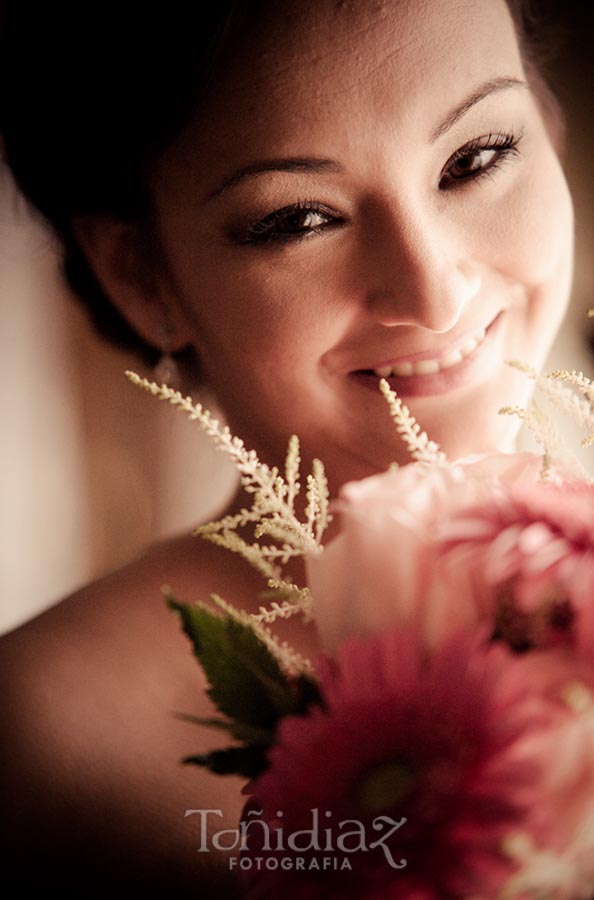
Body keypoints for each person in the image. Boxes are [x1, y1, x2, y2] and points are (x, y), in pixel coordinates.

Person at [0, 0, 576, 893]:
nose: (432, 293)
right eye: (299, 219)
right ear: (140, 273)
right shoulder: (48, 742)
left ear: (548, 121)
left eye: (476, 159)